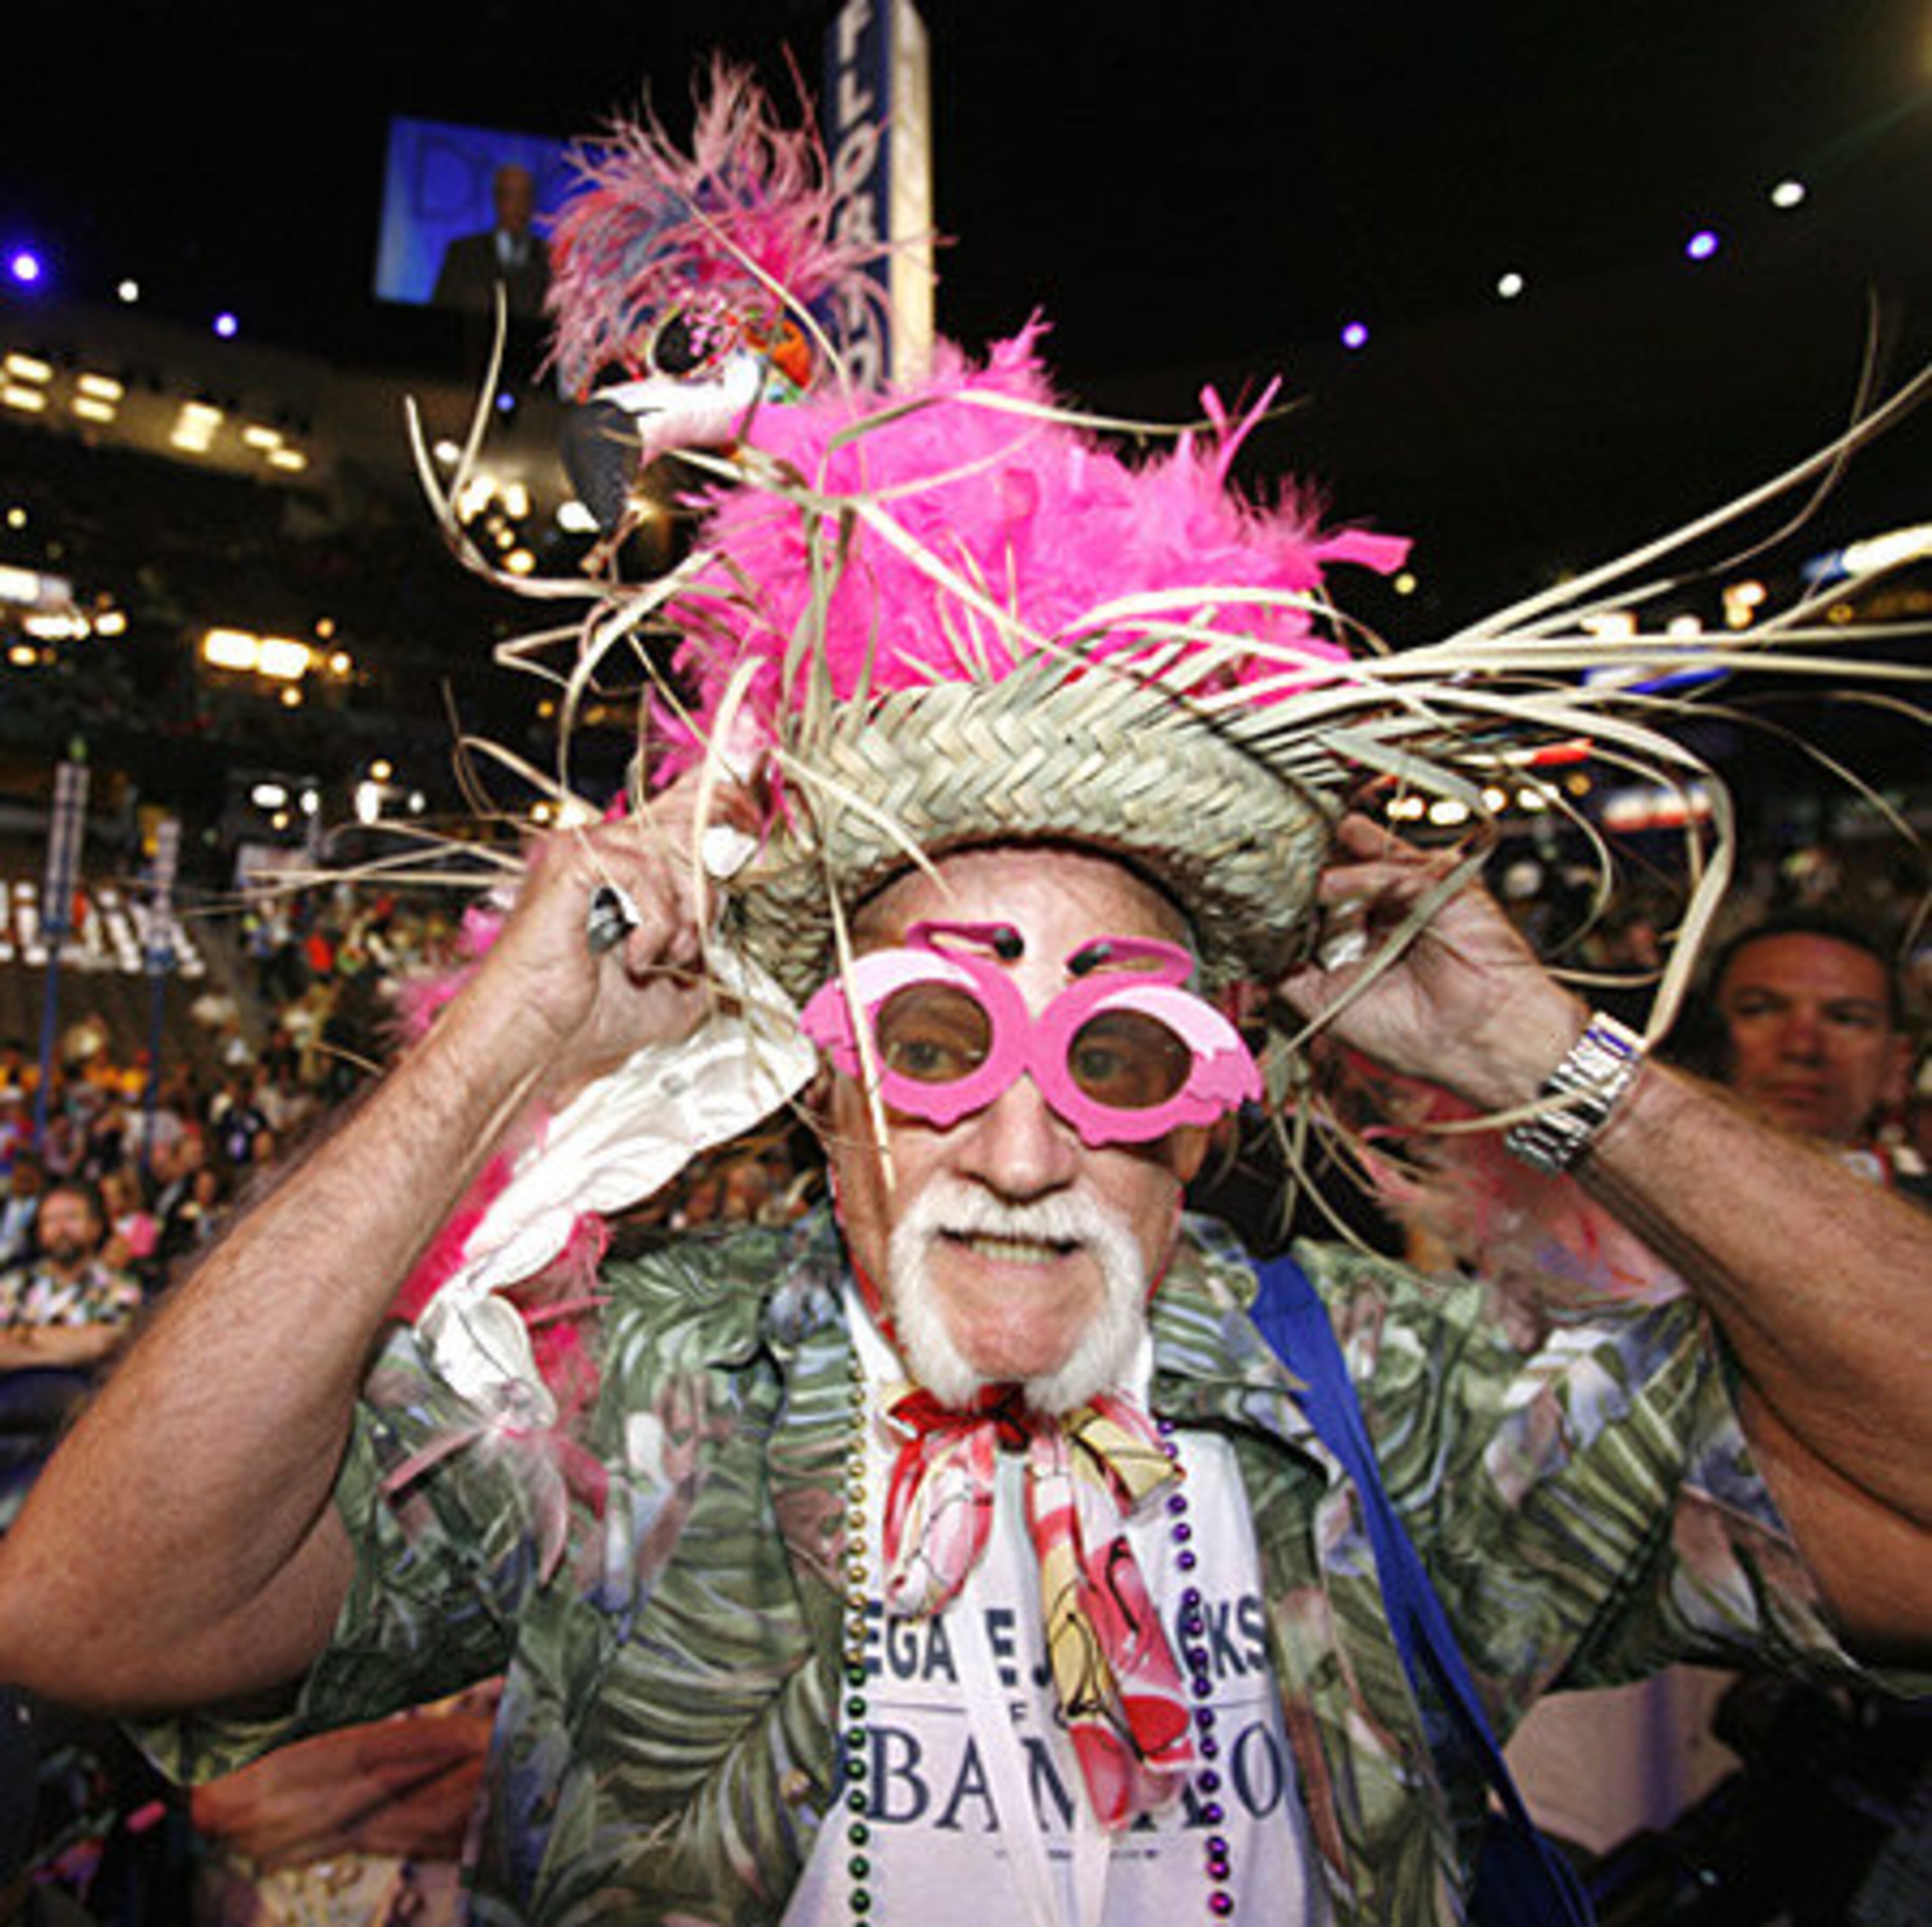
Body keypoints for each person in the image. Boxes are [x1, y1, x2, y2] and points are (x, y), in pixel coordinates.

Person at [3, 257, 1928, 1927]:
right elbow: (92, 1614)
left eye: (1117, 1051)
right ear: (819, 1083)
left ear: (1208, 1107)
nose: (1020, 1146)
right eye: (931, 1040)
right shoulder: (631, 1401)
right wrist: (488, 1055)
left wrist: (1545, 1062)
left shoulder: (1391, 1407)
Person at [1701, 911, 1922, 1191]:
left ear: (1897, 1065)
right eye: (1760, 1010)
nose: (1802, 1048)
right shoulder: (1637, 1204)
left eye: (1845, 1019)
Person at [430, 162, 550, 320]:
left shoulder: (549, 258)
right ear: (497, 200)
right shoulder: (463, 253)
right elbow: (439, 313)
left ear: (533, 203)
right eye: (510, 196)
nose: (518, 207)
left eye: (524, 197)